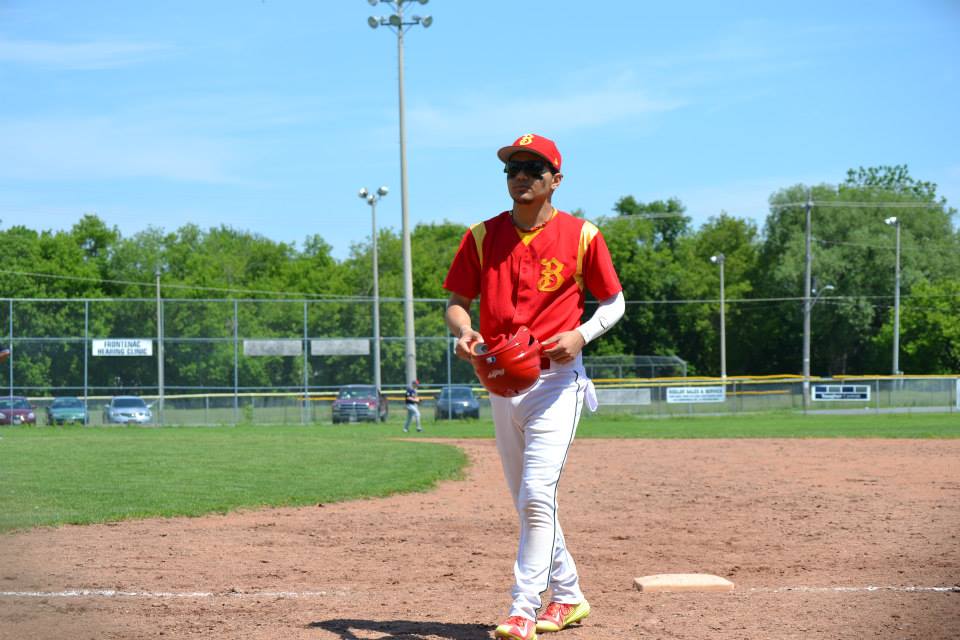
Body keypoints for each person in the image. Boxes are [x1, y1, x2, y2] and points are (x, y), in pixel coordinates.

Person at [443, 133, 625, 640]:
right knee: (528, 500)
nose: (520, 176)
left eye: (533, 168)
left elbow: (614, 302)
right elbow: (457, 302)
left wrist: (582, 334)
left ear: (555, 180)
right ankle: (568, 596)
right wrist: (465, 331)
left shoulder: (582, 235)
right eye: (513, 168)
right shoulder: (483, 236)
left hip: (556, 381)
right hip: (500, 379)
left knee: (537, 494)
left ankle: (522, 608)